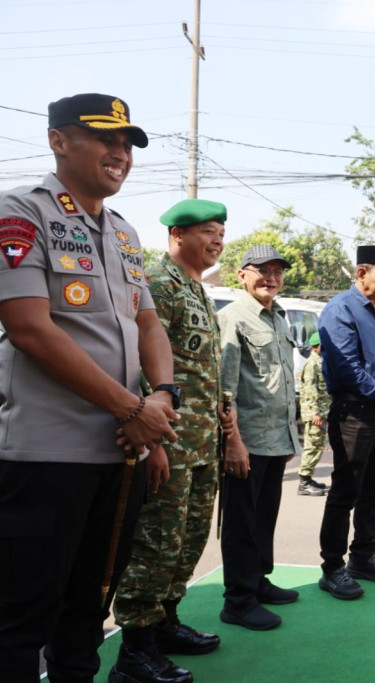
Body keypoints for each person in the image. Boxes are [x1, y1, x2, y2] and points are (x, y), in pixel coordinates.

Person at [0, 93, 179, 683]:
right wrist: (135, 407)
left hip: (120, 456)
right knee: (21, 621)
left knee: (86, 616)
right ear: (58, 140)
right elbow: (28, 326)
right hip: (47, 457)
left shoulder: (124, 234)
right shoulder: (21, 213)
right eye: (105, 138)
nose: (119, 153)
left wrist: (161, 401)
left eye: (127, 144)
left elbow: (146, 324)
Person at [112, 199, 235, 683]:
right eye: (208, 231)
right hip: (170, 444)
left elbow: (205, 373)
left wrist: (227, 434)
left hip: (202, 446)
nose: (218, 240)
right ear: (178, 236)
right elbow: (142, 363)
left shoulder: (199, 290)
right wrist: (155, 444)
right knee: (156, 543)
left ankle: (166, 624)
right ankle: (135, 651)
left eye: (221, 232)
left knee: (187, 541)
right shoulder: (159, 285)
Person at [317, 245, 375, 601]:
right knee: (346, 490)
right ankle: (332, 567)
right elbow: (346, 368)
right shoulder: (340, 309)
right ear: (361, 273)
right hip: (353, 412)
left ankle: (362, 557)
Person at [218, 244, 301, 631]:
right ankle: (237, 599)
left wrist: (288, 438)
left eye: (277, 271)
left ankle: (258, 582)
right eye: (261, 270)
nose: (271, 278)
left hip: (274, 440)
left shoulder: (279, 317)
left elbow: (281, 381)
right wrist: (233, 441)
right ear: (242, 275)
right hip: (246, 442)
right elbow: (225, 388)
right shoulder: (233, 318)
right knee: (241, 521)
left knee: (264, 518)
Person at [297, 331, 330, 496]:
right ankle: (304, 482)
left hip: (321, 413)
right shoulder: (312, 364)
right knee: (312, 446)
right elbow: (310, 391)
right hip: (315, 414)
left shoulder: (320, 362)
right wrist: (315, 413)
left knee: (318, 445)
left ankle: (308, 479)